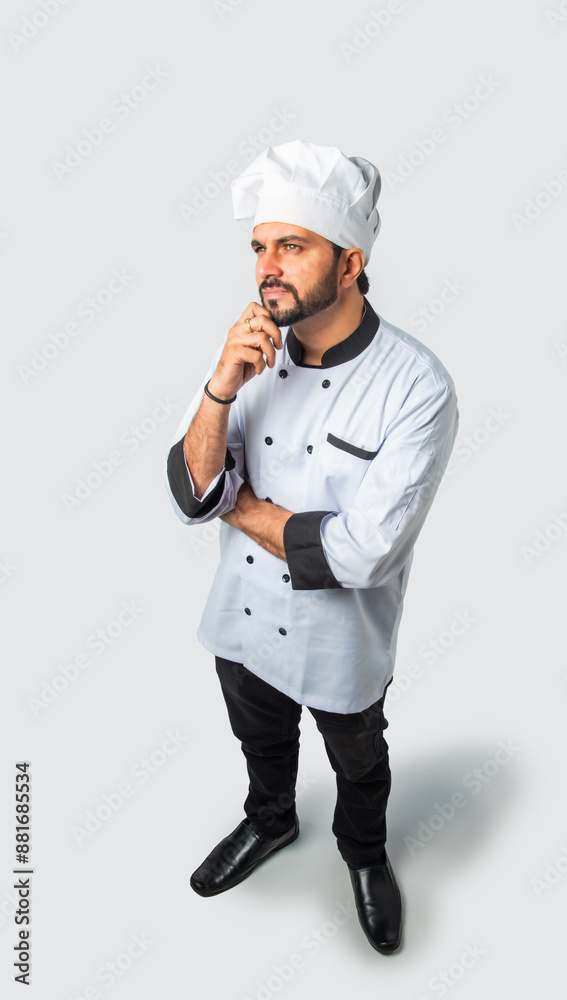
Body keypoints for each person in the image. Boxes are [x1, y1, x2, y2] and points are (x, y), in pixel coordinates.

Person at [164, 140, 459, 955]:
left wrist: (241, 503)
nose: (267, 266)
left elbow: (364, 554)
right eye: (259, 247)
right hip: (242, 621)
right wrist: (222, 387)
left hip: (342, 644)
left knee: (359, 764)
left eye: (291, 246)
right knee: (258, 738)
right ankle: (270, 821)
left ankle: (363, 855)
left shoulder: (416, 386)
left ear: (350, 260)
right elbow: (193, 495)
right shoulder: (247, 351)